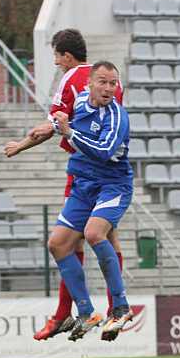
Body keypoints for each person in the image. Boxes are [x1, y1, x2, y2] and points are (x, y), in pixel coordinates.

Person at [4, 29, 126, 340]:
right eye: (104, 83)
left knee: (87, 238)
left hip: (99, 174)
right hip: (90, 171)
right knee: (79, 241)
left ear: (67, 56)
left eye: (57, 56)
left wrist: (20, 145)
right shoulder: (101, 85)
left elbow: (52, 127)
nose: (57, 62)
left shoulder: (73, 79)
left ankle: (100, 311)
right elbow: (62, 125)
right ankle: (93, 312)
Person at [47, 61, 134, 342]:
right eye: (103, 82)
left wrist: (69, 132)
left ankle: (120, 307)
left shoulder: (117, 116)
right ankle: (86, 312)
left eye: (113, 83)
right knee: (57, 244)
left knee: (94, 233)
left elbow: (104, 151)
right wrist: (41, 131)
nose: (109, 88)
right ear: (89, 84)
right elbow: (60, 122)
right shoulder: (81, 102)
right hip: (84, 186)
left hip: (113, 185)